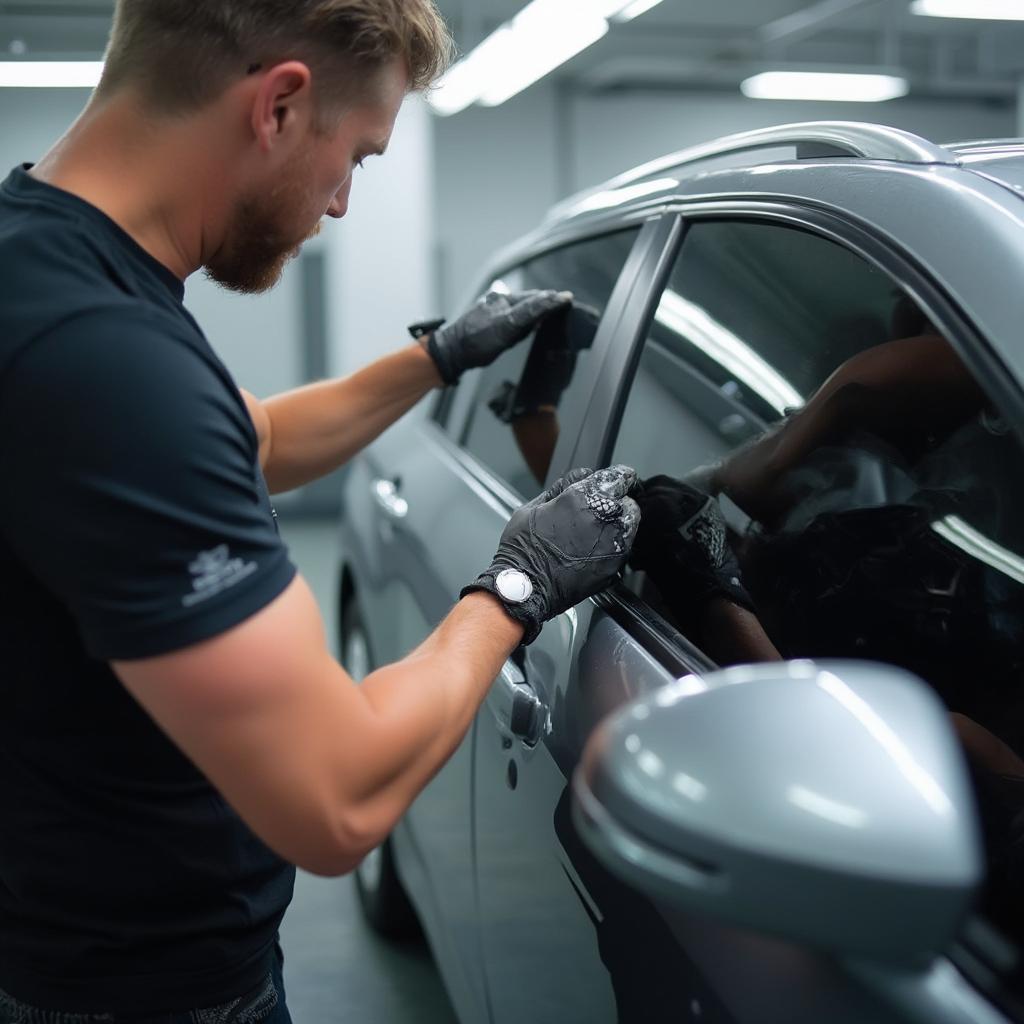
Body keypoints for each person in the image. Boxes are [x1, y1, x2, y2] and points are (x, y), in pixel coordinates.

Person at [0, 2, 641, 1019]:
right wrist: (516, 585)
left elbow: (249, 439)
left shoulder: (48, 264)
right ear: (282, 105)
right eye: (358, 156)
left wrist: (439, 356)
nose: (342, 202)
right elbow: (336, 799)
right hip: (139, 990)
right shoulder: (103, 359)